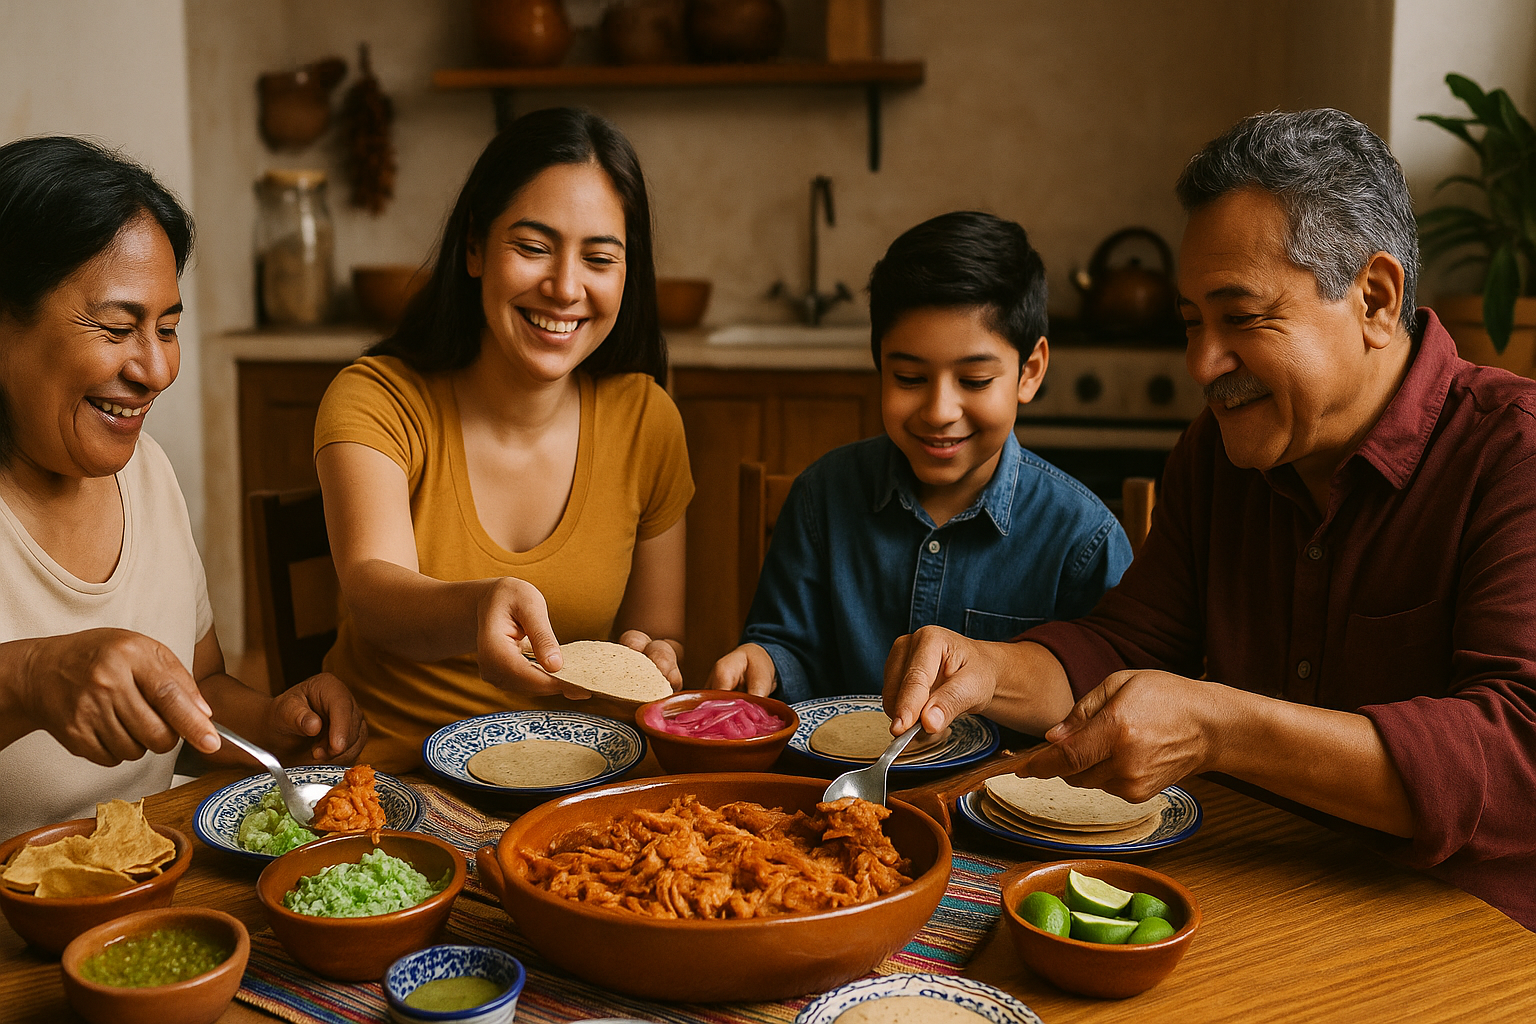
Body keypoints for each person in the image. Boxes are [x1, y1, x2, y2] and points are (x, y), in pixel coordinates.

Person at [884, 109, 1536, 929]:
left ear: (1375, 298)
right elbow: (1129, 646)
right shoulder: (1217, 454)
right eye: (1193, 323)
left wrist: (1220, 728)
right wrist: (986, 668)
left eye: (1243, 317)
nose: (1202, 364)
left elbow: (1518, 759)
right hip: (1256, 894)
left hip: (1470, 936)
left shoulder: (1514, 453)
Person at [0, 137, 367, 840]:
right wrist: (29, 676)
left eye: (166, 328)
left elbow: (197, 690)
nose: (156, 369)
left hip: (151, 885)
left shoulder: (148, 471)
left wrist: (270, 724)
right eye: (116, 328)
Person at [315, 108, 693, 771]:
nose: (566, 287)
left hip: (570, 781)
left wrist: (654, 653)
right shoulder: (376, 399)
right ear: (473, 248)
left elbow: (658, 632)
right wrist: (478, 606)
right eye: (534, 246)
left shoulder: (648, 420)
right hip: (389, 784)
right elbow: (374, 594)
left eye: (599, 258)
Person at [709, 212, 1132, 700]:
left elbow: (1106, 697)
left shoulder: (1082, 538)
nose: (939, 412)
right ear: (879, 366)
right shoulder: (822, 496)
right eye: (910, 379)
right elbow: (789, 647)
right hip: (843, 776)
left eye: (974, 381)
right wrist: (764, 661)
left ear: (1029, 371)